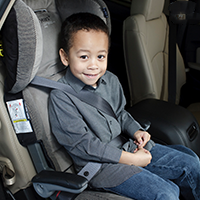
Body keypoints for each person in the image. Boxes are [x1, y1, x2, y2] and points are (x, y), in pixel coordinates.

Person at [49, 12, 200, 200]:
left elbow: (120, 113)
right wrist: (132, 160)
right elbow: (84, 146)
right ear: (65, 57)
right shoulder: (61, 97)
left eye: (101, 56)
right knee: (167, 194)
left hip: (127, 146)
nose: (94, 66)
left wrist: (136, 131)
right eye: (84, 57)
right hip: (101, 167)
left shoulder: (110, 80)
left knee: (191, 163)